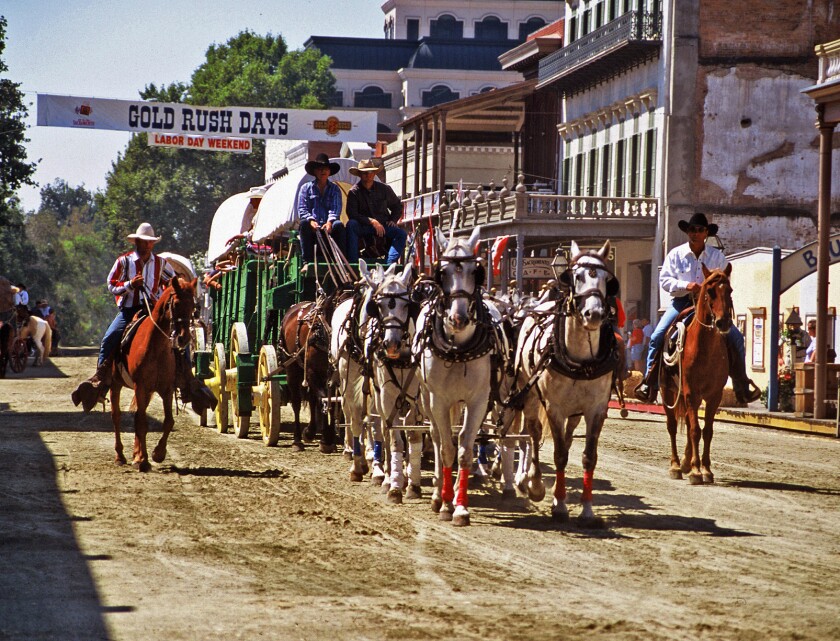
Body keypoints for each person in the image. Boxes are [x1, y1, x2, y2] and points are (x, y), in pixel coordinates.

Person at [71, 223, 213, 414]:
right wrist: (130, 284)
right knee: (109, 338)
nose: (145, 245)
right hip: (129, 310)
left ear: (152, 244)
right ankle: (100, 381)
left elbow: (172, 282)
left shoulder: (161, 264)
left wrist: (182, 285)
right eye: (142, 242)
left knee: (180, 338)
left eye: (149, 242)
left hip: (154, 310)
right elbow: (111, 284)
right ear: (136, 242)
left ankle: (187, 379)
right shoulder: (124, 262)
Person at [634, 213, 762, 404]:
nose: (695, 233)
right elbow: (665, 280)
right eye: (692, 230)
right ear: (688, 232)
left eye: (700, 230)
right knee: (657, 336)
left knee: (736, 338)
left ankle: (741, 384)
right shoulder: (675, 254)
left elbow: (724, 282)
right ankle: (649, 382)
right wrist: (687, 286)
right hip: (681, 303)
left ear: (706, 233)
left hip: (709, 306)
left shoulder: (717, 257)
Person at [344, 158, 406, 266]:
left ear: (374, 174)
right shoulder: (354, 192)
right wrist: (371, 221)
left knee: (401, 234)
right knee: (351, 224)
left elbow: (397, 206)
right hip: (363, 227)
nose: (368, 175)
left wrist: (393, 220)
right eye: (364, 173)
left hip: (383, 226)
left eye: (370, 172)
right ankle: (353, 263)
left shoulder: (384, 189)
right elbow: (352, 214)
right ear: (360, 175)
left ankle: (390, 263)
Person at [296, 153, 347, 263]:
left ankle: (339, 260)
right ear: (315, 172)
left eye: (325, 169)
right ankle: (307, 261)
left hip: (328, 225)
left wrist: (329, 222)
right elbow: (302, 208)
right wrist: (311, 221)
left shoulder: (335, 189)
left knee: (338, 225)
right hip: (312, 226)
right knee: (304, 224)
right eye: (320, 169)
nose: (323, 171)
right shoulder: (306, 188)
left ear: (329, 172)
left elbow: (336, 208)